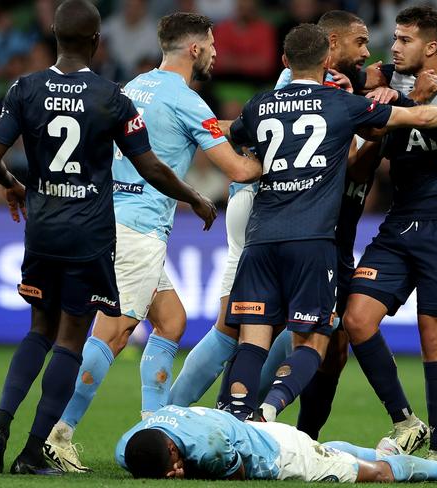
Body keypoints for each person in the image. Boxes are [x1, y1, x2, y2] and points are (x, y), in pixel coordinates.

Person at [0, 0, 216, 476]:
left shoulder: (25, 87)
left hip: (42, 227)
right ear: (97, 42)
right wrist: (194, 197)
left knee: (42, 332)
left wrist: (16, 186)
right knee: (72, 340)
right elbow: (148, 166)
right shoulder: (110, 95)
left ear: (53, 36)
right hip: (91, 232)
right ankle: (38, 449)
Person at [217, 23, 437, 423]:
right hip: (315, 237)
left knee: (252, 339)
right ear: (326, 56)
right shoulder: (340, 103)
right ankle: (266, 414)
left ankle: (230, 418)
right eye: (363, 44)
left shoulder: (259, 104)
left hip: (261, 235)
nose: (374, 54)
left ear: (285, 61)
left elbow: (231, 139)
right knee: (314, 342)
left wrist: (243, 165)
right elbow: (416, 120)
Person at [45, 11, 261, 472]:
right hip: (137, 229)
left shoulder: (135, 86)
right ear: (195, 49)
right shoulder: (186, 99)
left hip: (107, 217)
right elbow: (239, 171)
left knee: (171, 320)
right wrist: (294, 157)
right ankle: (58, 433)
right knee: (115, 331)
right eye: (213, 44)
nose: (218, 53)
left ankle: (154, 424)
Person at [342, 6, 437, 463]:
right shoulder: (383, 78)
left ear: (431, 47)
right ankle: (405, 421)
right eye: (394, 38)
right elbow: (358, 107)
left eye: (404, 40)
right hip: (400, 222)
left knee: (433, 338)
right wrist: (387, 93)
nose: (394, 47)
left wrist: (401, 103)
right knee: (357, 320)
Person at [116, 404, 437, 484]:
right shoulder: (128, 445)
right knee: (328, 449)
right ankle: (377, 449)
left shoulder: (209, 449)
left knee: (377, 475)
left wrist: (191, 473)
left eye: (175, 467)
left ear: (172, 450)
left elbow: (239, 475)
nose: (177, 473)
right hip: (265, 432)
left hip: (285, 456)